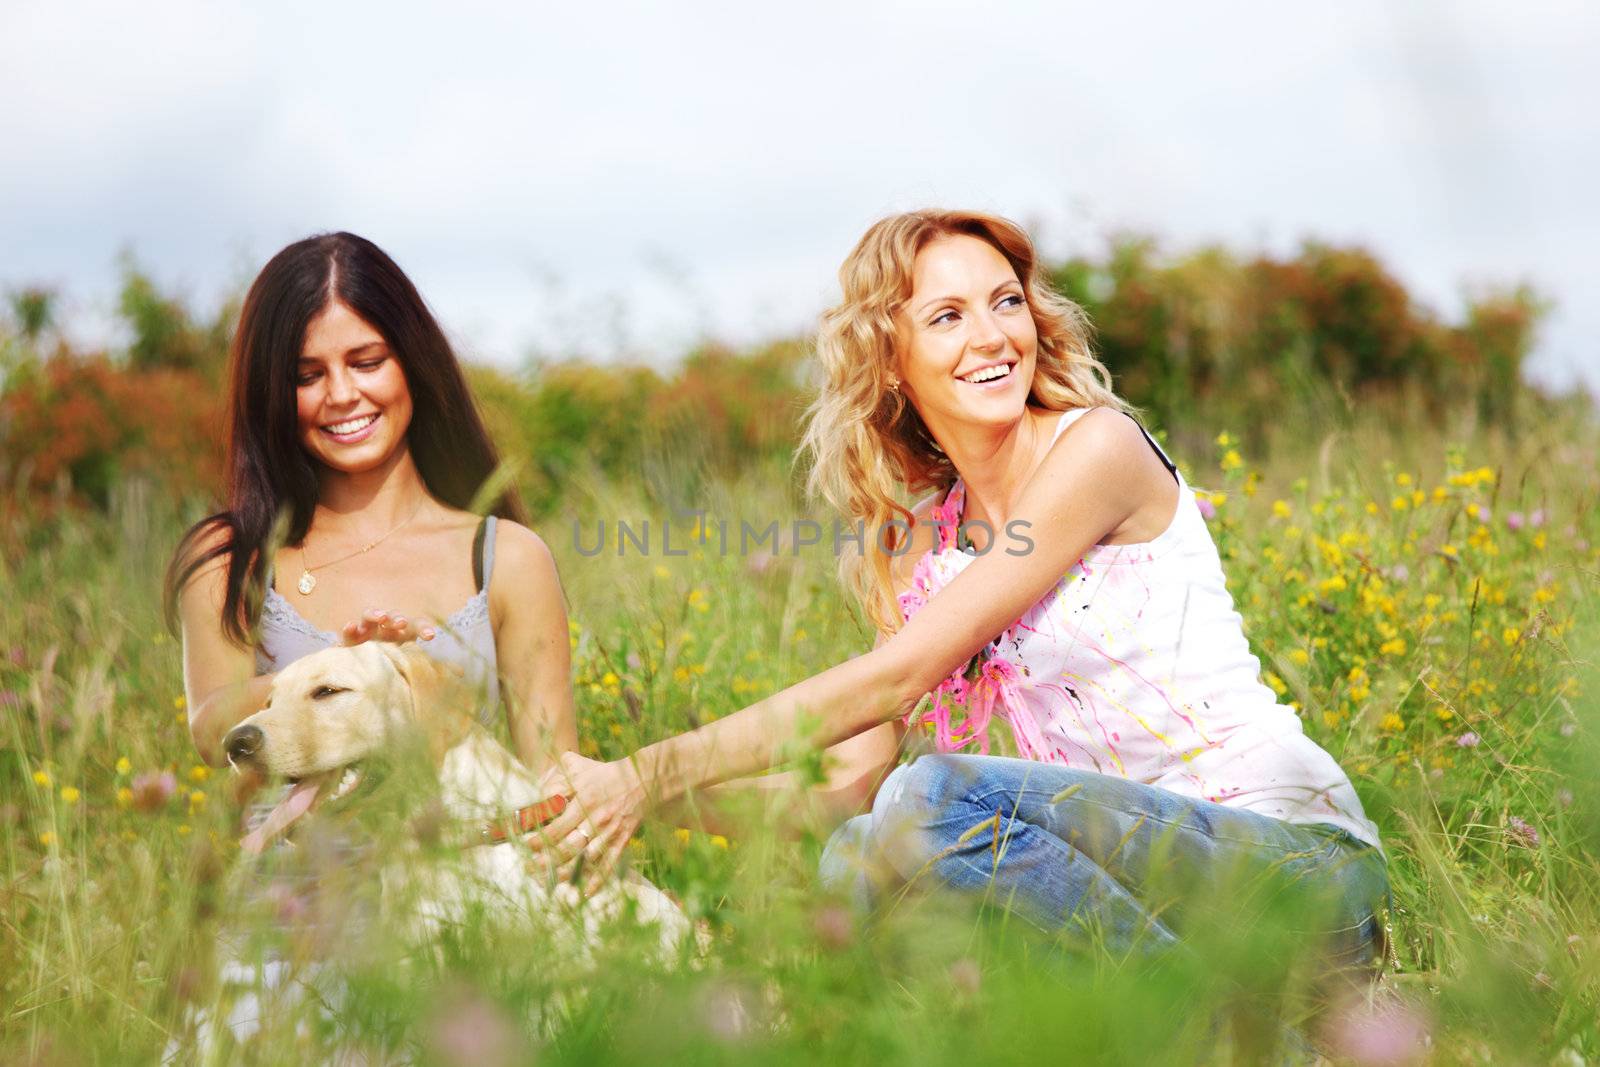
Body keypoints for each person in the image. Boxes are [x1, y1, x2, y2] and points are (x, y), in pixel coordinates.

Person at [532, 210, 1388, 969]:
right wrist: (620, 802)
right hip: (1132, 899)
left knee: (933, 795)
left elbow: (896, 681)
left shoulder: (1098, 449)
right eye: (947, 316)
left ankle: (1229, 1031)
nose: (991, 336)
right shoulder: (915, 552)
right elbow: (839, 793)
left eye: (1005, 301)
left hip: (1295, 870)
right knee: (857, 856)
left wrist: (648, 768)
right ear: (893, 361)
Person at [164, 231, 577, 779]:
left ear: (414, 362)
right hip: (301, 863)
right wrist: (342, 668)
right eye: (307, 376)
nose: (340, 395)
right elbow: (212, 731)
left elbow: (555, 779)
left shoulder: (507, 557)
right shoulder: (229, 555)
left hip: (467, 859)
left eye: (366, 362)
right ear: (272, 393)